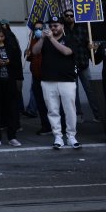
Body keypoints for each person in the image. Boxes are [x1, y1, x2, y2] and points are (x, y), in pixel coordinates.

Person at [33, 17, 81, 150]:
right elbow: (35, 52)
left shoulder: (70, 39)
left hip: (67, 80)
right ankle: (58, 137)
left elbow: (67, 52)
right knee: (52, 110)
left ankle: (71, 136)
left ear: (62, 26)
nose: (53, 28)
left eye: (56, 26)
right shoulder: (45, 40)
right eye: (51, 26)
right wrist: (42, 39)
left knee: (70, 110)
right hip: (48, 80)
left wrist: (52, 39)